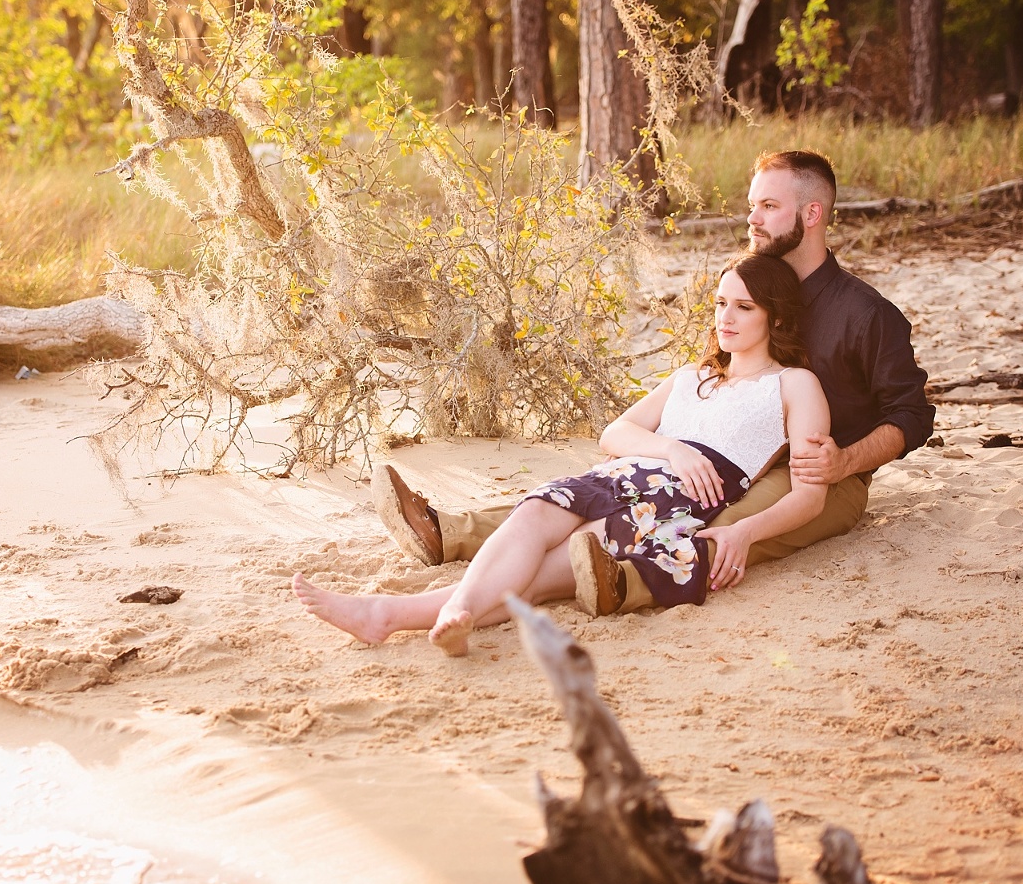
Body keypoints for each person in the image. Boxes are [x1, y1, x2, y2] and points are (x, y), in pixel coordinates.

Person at [370, 149, 935, 614]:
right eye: (750, 206)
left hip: (819, 474)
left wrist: (844, 462)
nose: (752, 220)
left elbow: (912, 416)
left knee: (728, 524)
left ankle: (622, 581)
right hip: (735, 450)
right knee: (620, 489)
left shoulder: (866, 314)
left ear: (811, 215)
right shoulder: (753, 285)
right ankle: (448, 533)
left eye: (768, 206)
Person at [293, 253, 830, 656]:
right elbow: (614, 432)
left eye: (743, 307)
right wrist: (673, 448)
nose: (725, 318)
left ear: (775, 318)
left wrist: (744, 531)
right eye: (719, 303)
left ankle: (392, 615)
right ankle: (448, 609)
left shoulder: (794, 385)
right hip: (621, 474)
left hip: (671, 509)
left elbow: (810, 495)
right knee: (531, 515)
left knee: (552, 572)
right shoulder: (693, 376)